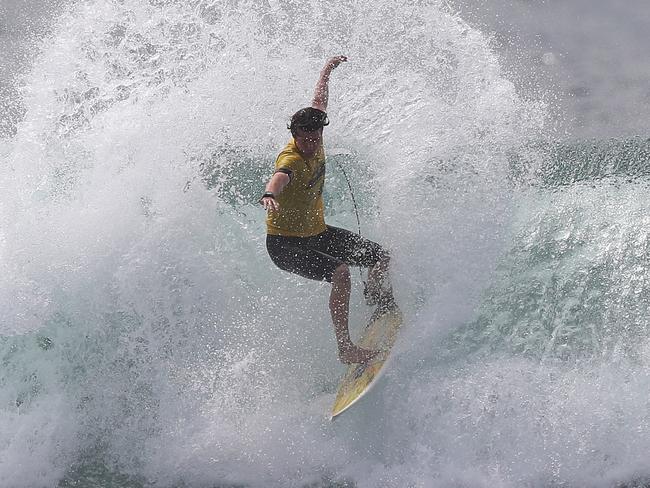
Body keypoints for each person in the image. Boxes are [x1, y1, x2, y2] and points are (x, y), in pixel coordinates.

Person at [260, 55, 395, 364]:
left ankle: (377, 297)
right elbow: (280, 177)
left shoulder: (315, 130)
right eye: (305, 139)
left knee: (380, 257)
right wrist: (270, 193)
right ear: (294, 136)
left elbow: (318, 101)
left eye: (316, 137)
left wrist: (326, 71)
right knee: (341, 273)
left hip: (315, 233)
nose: (312, 143)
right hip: (285, 244)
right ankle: (345, 349)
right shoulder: (291, 159)